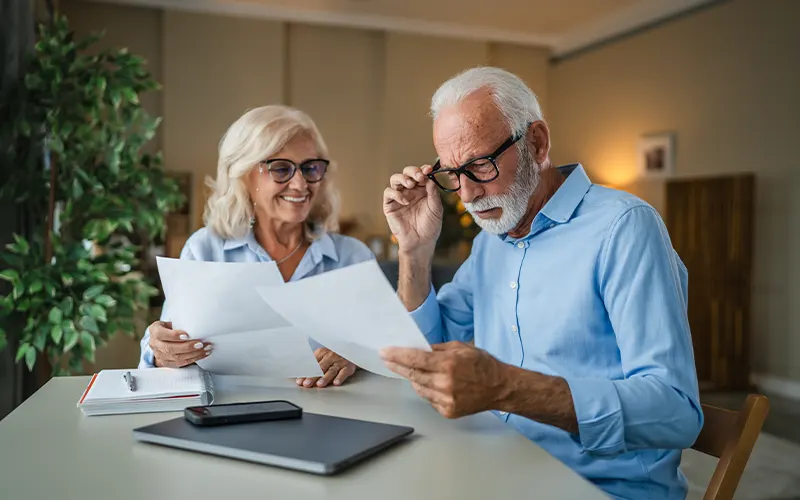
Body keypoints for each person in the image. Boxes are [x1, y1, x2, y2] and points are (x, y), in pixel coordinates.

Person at [379, 67, 703, 499]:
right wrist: (414, 252)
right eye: (454, 173)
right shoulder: (491, 241)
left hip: (600, 489)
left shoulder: (624, 227)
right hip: (497, 468)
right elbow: (423, 356)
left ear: (537, 143)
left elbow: (676, 412)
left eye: (480, 165)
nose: (468, 195)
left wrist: (506, 387)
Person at [139, 105, 374, 388]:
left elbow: (393, 350)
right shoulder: (205, 251)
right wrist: (161, 351)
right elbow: (166, 352)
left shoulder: (352, 257)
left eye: (310, 168)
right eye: (281, 169)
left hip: (332, 411)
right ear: (243, 174)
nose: (300, 184)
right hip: (229, 411)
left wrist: (358, 354)